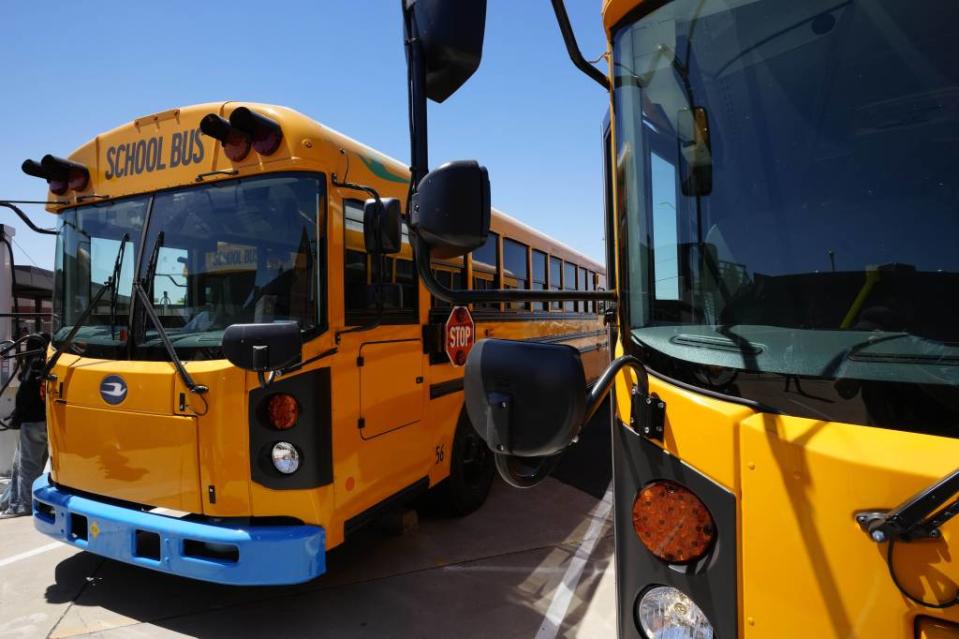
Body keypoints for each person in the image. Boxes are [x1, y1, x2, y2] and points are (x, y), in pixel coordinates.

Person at [0, 334, 49, 518]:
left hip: (33, 422)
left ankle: (22, 505)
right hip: (46, 421)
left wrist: (16, 418)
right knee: (26, 465)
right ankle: (9, 501)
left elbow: (26, 396)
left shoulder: (34, 364)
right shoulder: (50, 364)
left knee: (25, 466)